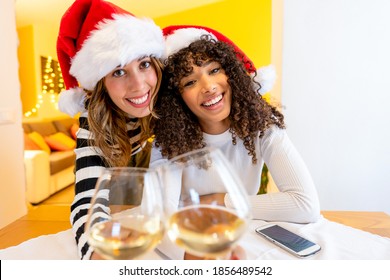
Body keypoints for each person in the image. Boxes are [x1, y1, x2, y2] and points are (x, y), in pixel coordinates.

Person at [151, 25, 321, 259]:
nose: (208, 87)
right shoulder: (168, 141)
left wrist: (218, 201)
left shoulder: (263, 127)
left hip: (243, 240)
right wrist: (198, 257)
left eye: (214, 70)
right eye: (189, 82)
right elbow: (157, 220)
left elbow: (305, 204)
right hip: (191, 243)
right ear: (177, 97)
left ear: (232, 73)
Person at [56, 0, 164, 260]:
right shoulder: (94, 123)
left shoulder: (172, 97)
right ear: (101, 83)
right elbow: (88, 201)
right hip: (127, 196)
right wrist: (97, 254)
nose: (138, 85)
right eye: (118, 72)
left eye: (144, 64)